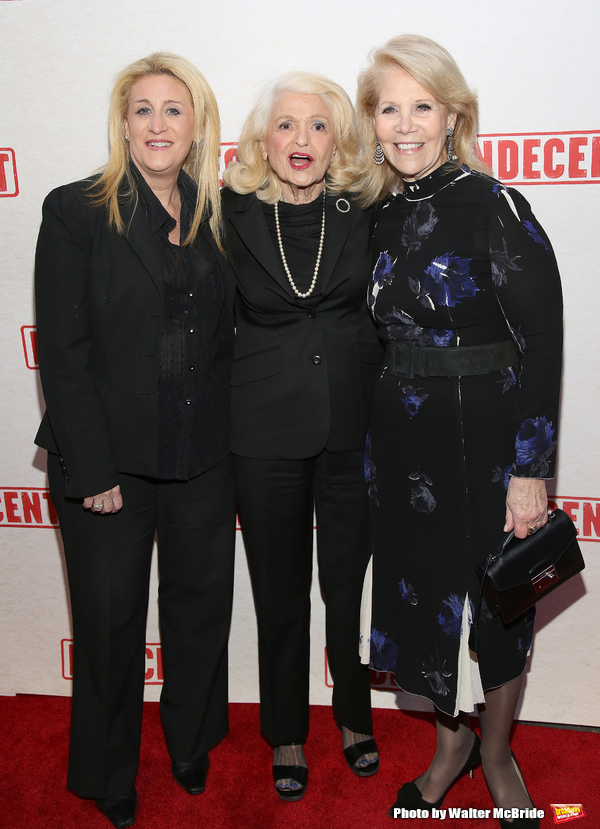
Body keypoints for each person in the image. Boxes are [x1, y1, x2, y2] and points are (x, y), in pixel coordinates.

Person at [355, 35, 563, 828]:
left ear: (452, 115)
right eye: (389, 107)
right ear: (372, 121)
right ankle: (450, 746)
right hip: (403, 445)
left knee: (503, 602)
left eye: (422, 106)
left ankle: (498, 749)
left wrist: (531, 467)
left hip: (488, 443)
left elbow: (543, 341)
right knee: (426, 602)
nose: (405, 125)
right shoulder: (374, 216)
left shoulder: (493, 204)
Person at [34, 53, 236, 829]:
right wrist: (92, 467)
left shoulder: (217, 214)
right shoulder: (77, 211)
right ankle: (110, 771)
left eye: (174, 110)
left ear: (196, 127)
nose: (158, 124)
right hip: (109, 465)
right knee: (111, 622)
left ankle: (190, 741)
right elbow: (65, 349)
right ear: (124, 123)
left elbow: (224, 342)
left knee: (199, 609)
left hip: (201, 459)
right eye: (143, 109)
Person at [222, 72, 384, 800]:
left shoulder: (369, 208)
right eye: (287, 125)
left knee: (346, 585)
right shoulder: (229, 212)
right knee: (279, 591)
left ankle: (353, 714)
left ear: (338, 140)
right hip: (261, 430)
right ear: (265, 138)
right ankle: (286, 725)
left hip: (352, 427)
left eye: (318, 126)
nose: (302, 141)